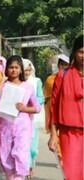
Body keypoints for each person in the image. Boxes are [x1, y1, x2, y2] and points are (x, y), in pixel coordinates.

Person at [0, 55, 41, 179]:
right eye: (11, 67)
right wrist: (2, 81)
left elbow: (37, 108)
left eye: (17, 67)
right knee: (7, 158)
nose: (14, 70)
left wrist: (25, 108)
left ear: (21, 69)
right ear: (6, 69)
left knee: (21, 156)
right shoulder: (3, 86)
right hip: (5, 127)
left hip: (22, 128)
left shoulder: (27, 87)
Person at [48, 35, 83, 180]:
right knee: (72, 176)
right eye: (81, 51)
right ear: (75, 52)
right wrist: (53, 135)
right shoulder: (63, 75)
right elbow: (54, 107)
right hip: (69, 135)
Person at [43, 54, 69, 168]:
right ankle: (60, 157)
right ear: (58, 66)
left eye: (66, 65)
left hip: (67, 111)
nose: (63, 67)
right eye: (61, 64)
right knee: (55, 135)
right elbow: (47, 97)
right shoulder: (50, 79)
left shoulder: (73, 78)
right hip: (53, 109)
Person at [22, 58, 45, 179]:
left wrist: (31, 103)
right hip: (20, 120)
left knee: (32, 149)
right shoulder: (16, 82)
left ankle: (31, 166)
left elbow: (41, 98)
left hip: (33, 119)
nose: (26, 73)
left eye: (28, 70)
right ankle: (24, 169)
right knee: (22, 147)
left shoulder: (36, 81)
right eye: (24, 70)